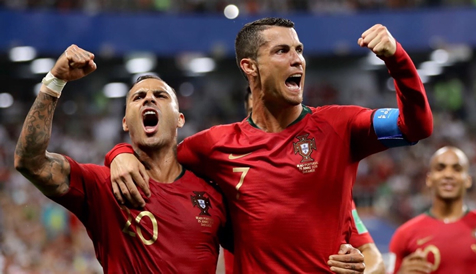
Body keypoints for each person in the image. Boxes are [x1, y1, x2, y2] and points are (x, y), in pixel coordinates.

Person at [106, 17, 432, 273]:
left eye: (299, 50)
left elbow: (416, 126)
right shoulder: (213, 145)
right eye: (282, 51)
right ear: (250, 67)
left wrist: (397, 58)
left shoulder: (340, 126)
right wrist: (119, 154)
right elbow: (160, 156)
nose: (297, 60)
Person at [13, 45, 233, 272]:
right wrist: (54, 82)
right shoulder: (104, 186)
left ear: (180, 119)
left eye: (160, 95)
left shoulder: (212, 194)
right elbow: (30, 163)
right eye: (138, 97)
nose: (149, 99)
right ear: (125, 122)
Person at [221, 88, 386, 274]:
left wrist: (359, 271)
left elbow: (376, 260)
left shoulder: (329, 197)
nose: (265, 123)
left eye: (273, 114)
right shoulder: (225, 185)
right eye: (255, 115)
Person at [388, 146, 476, 274]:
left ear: (468, 180)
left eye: (457, 169)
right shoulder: (404, 234)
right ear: (429, 179)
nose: (448, 174)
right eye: (440, 168)